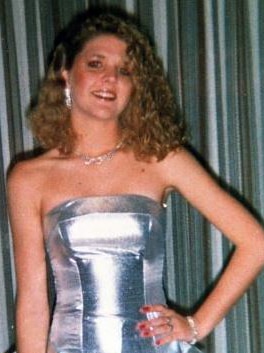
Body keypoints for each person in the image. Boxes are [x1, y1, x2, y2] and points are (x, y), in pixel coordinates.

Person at [7, 10, 264, 353]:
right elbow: (33, 298)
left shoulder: (162, 158)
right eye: (96, 64)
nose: (110, 78)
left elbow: (256, 242)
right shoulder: (28, 177)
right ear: (66, 74)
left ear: (135, 87)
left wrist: (194, 325)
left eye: (125, 71)